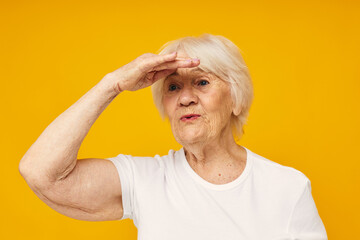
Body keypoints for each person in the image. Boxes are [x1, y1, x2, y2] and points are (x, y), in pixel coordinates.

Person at [19, 34, 328, 240]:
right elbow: (41, 173)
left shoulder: (288, 188)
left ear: (236, 99)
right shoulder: (145, 180)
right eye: (173, 87)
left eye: (202, 82)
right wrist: (112, 85)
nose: (185, 98)